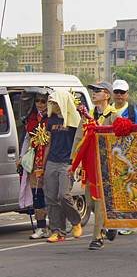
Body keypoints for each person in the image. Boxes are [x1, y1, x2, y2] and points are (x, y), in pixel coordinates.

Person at [72, 81, 118, 250]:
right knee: (90, 202)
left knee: (99, 202)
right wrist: (74, 161)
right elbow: (79, 137)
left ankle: (97, 237)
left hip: (106, 165)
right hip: (89, 164)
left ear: (107, 95)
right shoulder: (88, 114)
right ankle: (109, 224)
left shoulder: (114, 116)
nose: (94, 93)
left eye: (98, 91)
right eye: (93, 91)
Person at [44, 91, 83, 243]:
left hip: (67, 163)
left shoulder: (75, 120)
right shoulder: (51, 120)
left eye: (55, 102)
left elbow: (80, 144)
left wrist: (77, 164)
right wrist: (43, 165)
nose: (52, 105)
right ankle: (57, 231)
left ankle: (76, 221)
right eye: (51, 103)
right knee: (51, 198)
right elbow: (48, 143)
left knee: (63, 195)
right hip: (52, 162)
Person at [18, 91, 50, 239]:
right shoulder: (31, 118)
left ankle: (59, 223)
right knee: (37, 194)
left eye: (43, 101)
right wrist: (21, 157)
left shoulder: (52, 118)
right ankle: (41, 227)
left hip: (49, 159)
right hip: (33, 160)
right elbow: (26, 139)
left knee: (51, 194)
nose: (40, 104)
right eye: (37, 101)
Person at [112, 79, 137, 236]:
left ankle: (130, 222)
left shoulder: (131, 112)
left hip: (128, 156)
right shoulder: (108, 110)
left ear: (127, 94)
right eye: (116, 92)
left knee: (128, 189)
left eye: (122, 93)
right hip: (111, 156)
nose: (119, 95)